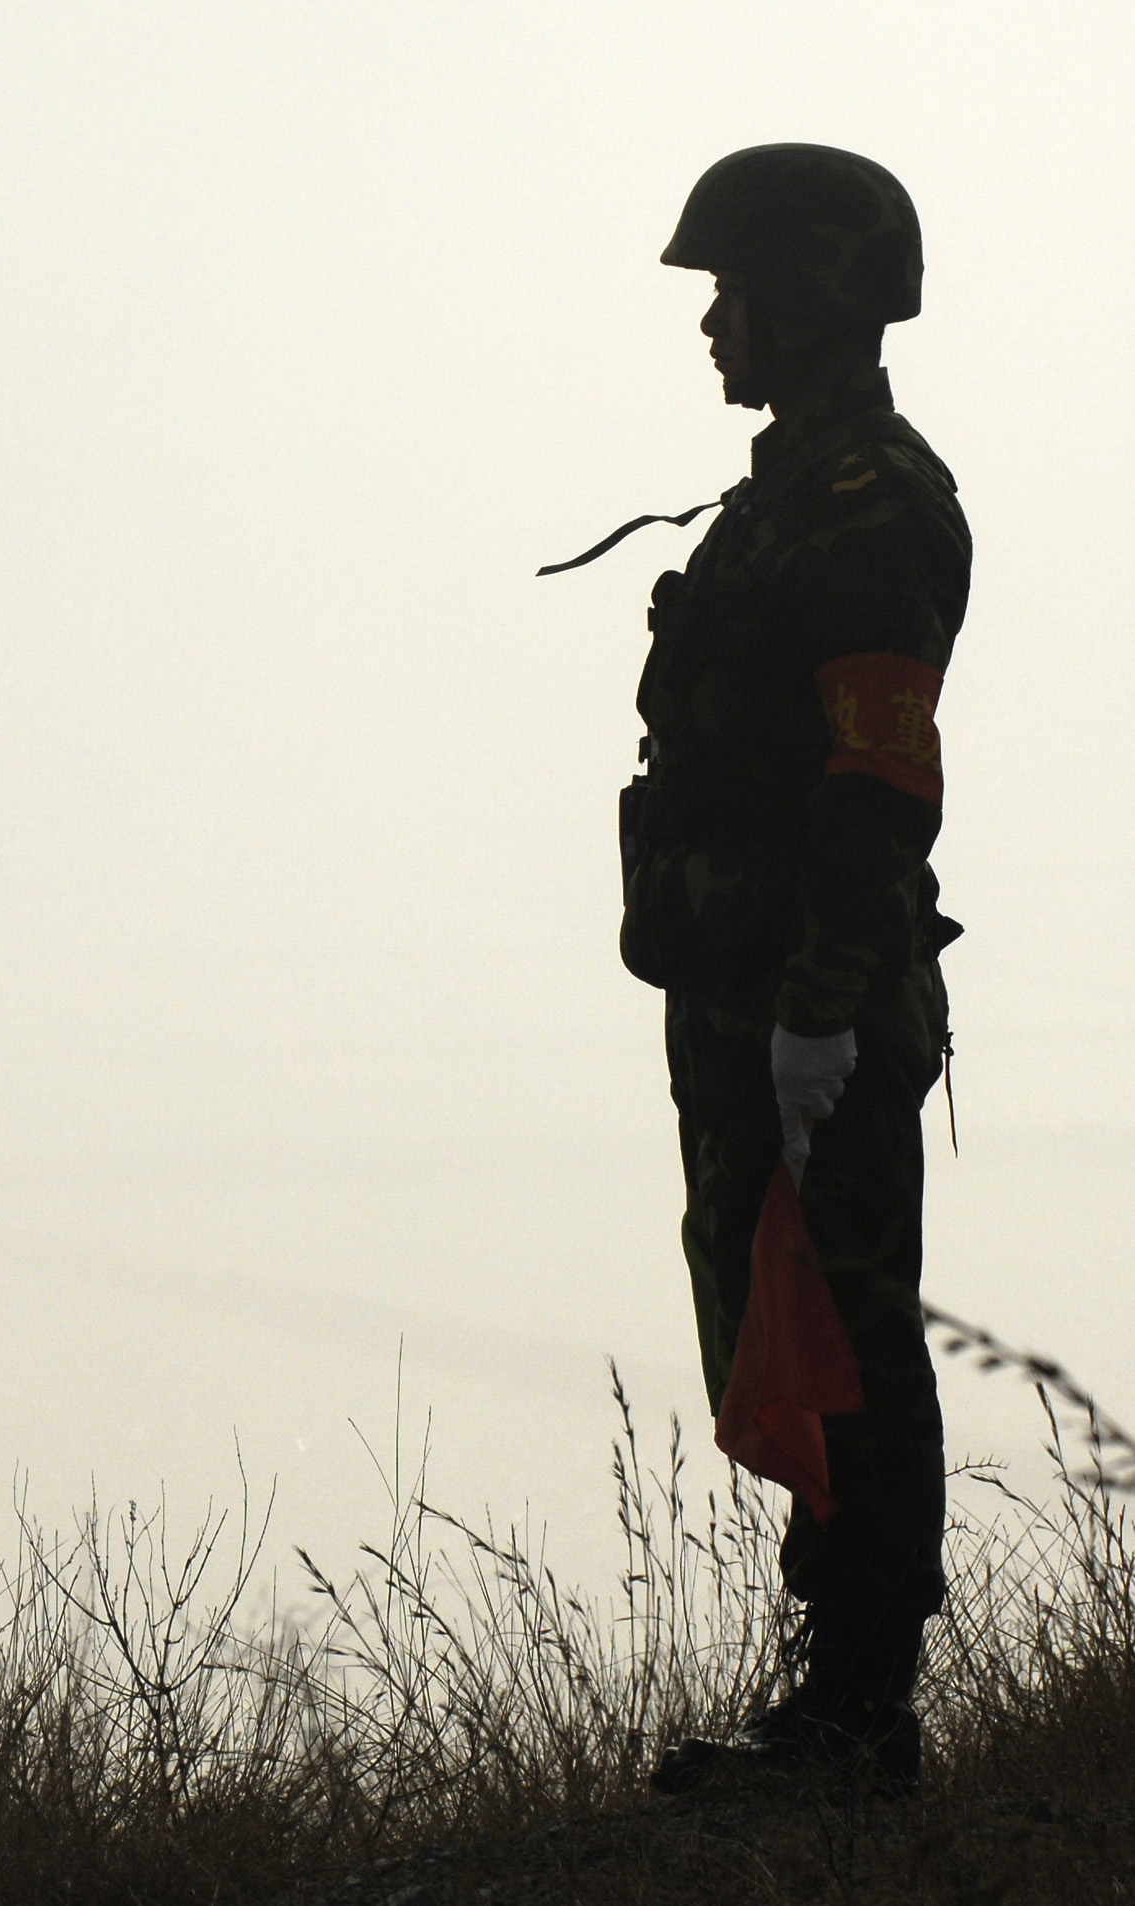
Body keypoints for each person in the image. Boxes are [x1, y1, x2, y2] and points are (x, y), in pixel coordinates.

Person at [616, 145, 970, 1795]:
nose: (710, 323)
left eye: (729, 288)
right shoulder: (780, 496)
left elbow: (880, 772)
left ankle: (857, 1716)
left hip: (808, 1000)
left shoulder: (870, 501)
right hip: (747, 997)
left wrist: (825, 1006)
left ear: (810, 293)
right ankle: (832, 1698)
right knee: (775, 1332)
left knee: (845, 1338)